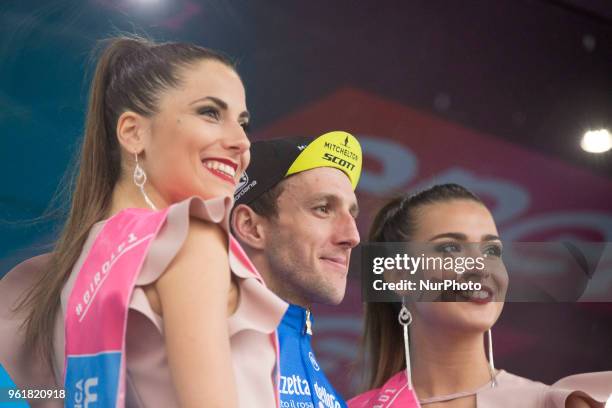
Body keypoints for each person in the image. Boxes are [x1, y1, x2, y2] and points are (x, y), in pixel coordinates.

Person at [0, 36, 287, 407]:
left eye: (243, 123)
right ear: (133, 132)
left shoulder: (61, 273)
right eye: (210, 113)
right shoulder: (191, 237)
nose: (241, 142)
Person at [349, 184, 611, 408]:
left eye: (491, 251)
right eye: (450, 248)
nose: (479, 266)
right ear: (399, 277)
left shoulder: (556, 404)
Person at [231, 131, 362, 408]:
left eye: (352, 213)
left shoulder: (332, 397)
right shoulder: (207, 350)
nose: (352, 236)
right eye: (323, 209)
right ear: (250, 227)